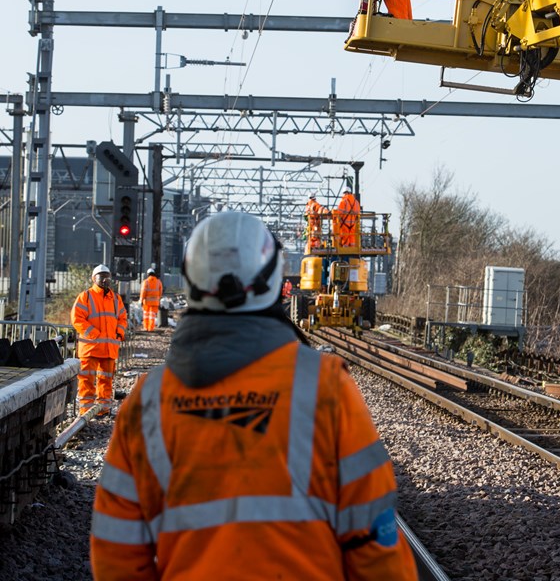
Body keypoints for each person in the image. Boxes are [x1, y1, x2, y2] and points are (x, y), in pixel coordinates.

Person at [90, 211, 417, 581]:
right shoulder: (325, 387)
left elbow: (116, 551)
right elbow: (374, 542)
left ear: (192, 280)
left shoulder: (148, 401)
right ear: (272, 279)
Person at [71, 264, 127, 417]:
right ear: (93, 279)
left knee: (106, 381)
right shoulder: (86, 296)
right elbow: (77, 319)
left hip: (109, 349)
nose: (104, 280)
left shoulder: (116, 299)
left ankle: (103, 410)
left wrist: (118, 333)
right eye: (101, 277)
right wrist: (94, 334)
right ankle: (86, 411)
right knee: (86, 381)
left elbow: (122, 318)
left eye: (107, 277)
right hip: (90, 349)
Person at [333, 185, 361, 249]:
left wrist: (337, 221)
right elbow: (358, 213)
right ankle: (352, 248)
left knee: (345, 236)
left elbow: (339, 213)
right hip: (353, 223)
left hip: (344, 223)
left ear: (344, 193)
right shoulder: (356, 202)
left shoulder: (343, 202)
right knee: (352, 236)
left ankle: (345, 248)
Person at [139, 266, 163, 332]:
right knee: (152, 316)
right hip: (155, 302)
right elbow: (160, 292)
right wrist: (158, 298)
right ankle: (151, 328)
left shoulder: (146, 282)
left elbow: (143, 292)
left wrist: (141, 300)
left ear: (148, 274)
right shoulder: (158, 282)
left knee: (146, 315)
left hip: (146, 302)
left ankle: (146, 328)